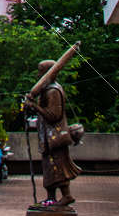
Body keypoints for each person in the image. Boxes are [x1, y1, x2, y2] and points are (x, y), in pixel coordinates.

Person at [25, 59, 81, 207]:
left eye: (40, 72)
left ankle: (67, 196)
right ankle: (51, 197)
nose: (38, 75)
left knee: (58, 166)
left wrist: (36, 107)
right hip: (48, 138)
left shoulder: (53, 91)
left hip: (55, 137)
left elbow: (53, 115)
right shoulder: (46, 90)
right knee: (49, 168)